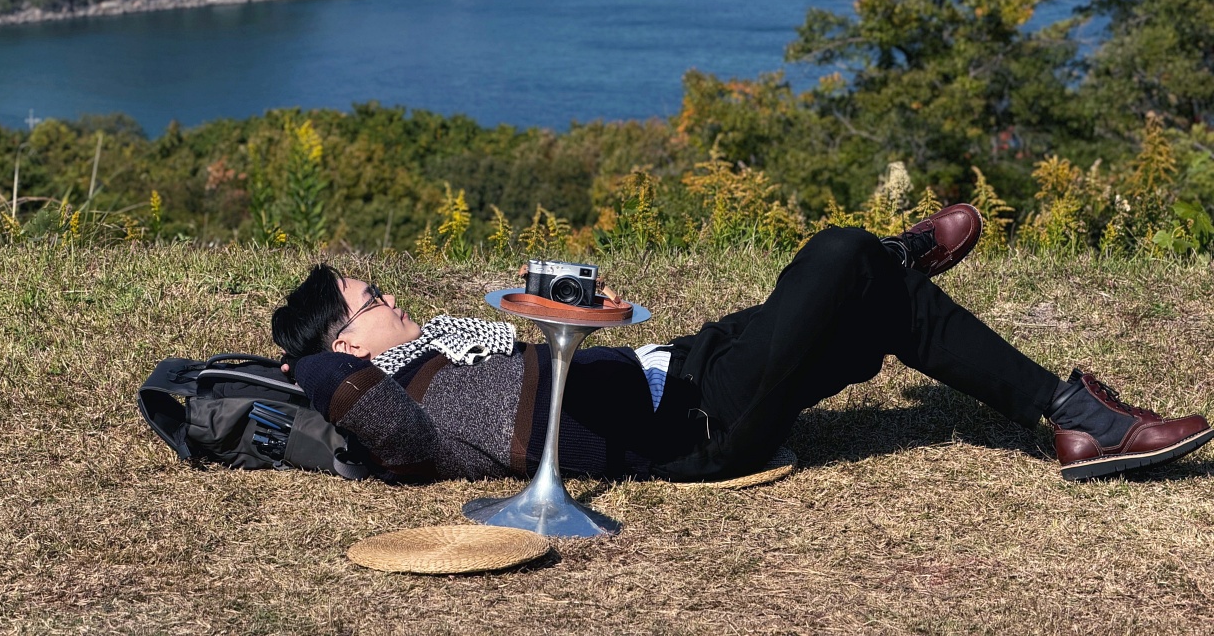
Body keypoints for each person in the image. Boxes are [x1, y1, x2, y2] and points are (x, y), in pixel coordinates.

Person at [271, 205, 1213, 483]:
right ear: (348, 342)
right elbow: (387, 441)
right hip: (697, 428)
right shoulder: (399, 401)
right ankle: (891, 255)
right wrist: (305, 364)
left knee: (885, 307)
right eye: (371, 298)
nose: (392, 298)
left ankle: (1075, 419)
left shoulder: (444, 348)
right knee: (844, 255)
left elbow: (546, 360)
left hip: (682, 366)